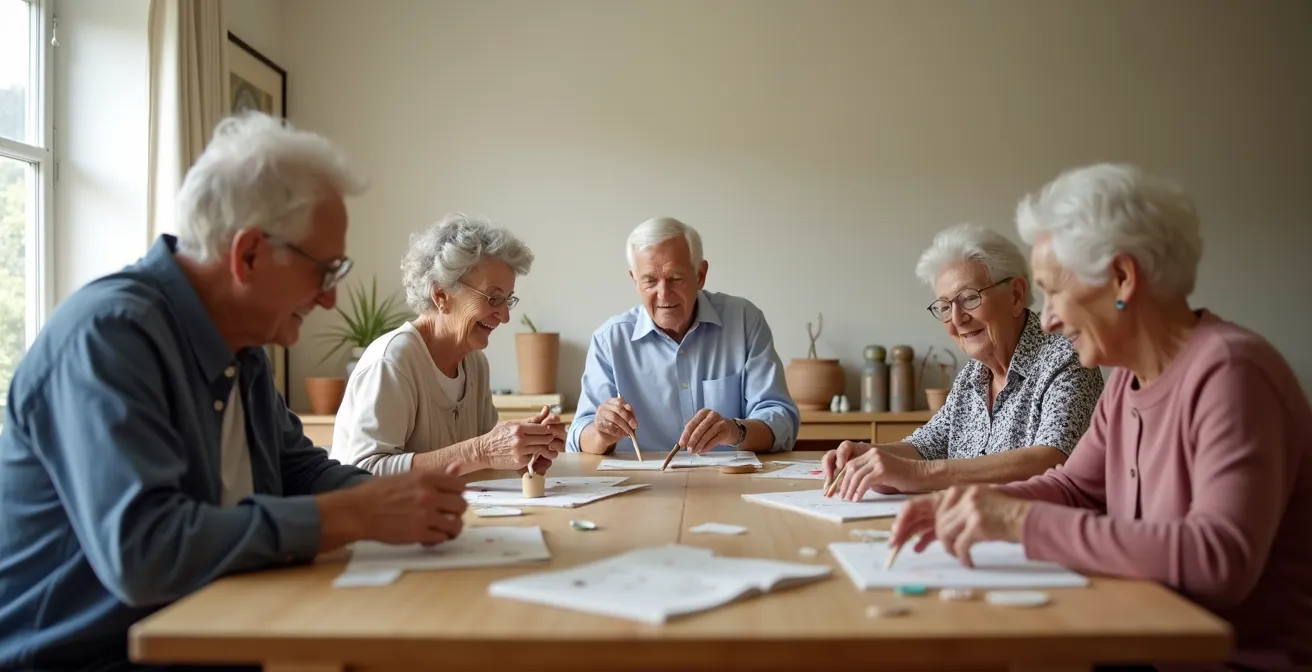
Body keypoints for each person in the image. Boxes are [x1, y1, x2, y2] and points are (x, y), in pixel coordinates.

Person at [0, 112, 471, 671]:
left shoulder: (241, 344)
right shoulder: (110, 337)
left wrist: (401, 502)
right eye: (326, 271)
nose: (330, 300)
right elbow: (146, 551)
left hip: (223, 631)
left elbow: (300, 471)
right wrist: (355, 515)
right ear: (247, 254)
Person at [889, 163, 1312, 670]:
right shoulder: (1128, 382)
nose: (1045, 319)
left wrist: (1015, 518)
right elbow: (1074, 488)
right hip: (1137, 635)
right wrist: (968, 505)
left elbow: (1217, 558)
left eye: (1054, 291)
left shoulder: (1232, 372)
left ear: (1122, 278)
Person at [823, 222, 1105, 498]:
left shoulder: (1067, 358)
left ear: (1016, 295)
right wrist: (870, 454)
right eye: (945, 307)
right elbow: (928, 445)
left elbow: (1051, 459)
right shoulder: (973, 375)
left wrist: (920, 474)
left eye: (969, 298)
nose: (957, 319)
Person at [330, 213, 564, 476]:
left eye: (508, 300)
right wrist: (483, 452)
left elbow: (484, 460)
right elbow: (366, 473)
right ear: (441, 295)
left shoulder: (474, 363)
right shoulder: (392, 361)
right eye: (493, 298)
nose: (505, 316)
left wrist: (523, 457)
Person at [566, 217, 799, 456]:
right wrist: (600, 433)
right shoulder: (610, 340)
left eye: (676, 278)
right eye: (650, 281)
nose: (664, 294)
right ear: (635, 281)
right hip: (641, 486)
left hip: (730, 483)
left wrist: (734, 430)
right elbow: (577, 437)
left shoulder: (744, 321)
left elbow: (782, 422)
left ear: (700, 274)